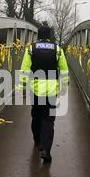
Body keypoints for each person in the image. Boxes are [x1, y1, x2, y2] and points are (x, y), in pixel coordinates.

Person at [18, 26, 69, 163]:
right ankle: (46, 149)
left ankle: (37, 140)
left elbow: (24, 69)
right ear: (50, 36)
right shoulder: (57, 49)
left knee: (36, 114)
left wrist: (22, 87)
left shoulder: (31, 49)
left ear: (38, 36)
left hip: (35, 88)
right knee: (48, 119)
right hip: (52, 89)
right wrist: (64, 86)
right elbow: (64, 69)